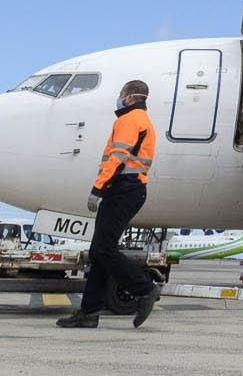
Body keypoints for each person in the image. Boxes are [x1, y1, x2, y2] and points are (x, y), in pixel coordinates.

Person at [56, 80, 161, 328]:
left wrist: (98, 189)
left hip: (124, 189)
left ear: (129, 97)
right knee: (99, 252)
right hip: (127, 190)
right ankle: (89, 313)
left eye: (121, 94)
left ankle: (145, 289)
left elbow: (117, 158)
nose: (119, 98)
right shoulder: (141, 119)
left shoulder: (129, 120)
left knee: (103, 250)